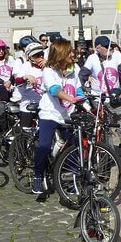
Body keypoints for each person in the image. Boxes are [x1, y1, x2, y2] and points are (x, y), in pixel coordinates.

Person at [32, 39, 84, 197]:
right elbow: (55, 90)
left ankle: (70, 180)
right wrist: (70, 98)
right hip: (50, 113)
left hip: (67, 114)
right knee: (44, 145)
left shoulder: (73, 69)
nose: (72, 54)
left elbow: (79, 90)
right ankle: (38, 175)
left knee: (74, 147)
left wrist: (86, 104)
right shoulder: (49, 71)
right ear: (61, 54)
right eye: (69, 51)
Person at [82, 36, 121, 172]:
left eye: (111, 46)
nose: (110, 49)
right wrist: (86, 90)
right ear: (98, 48)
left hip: (116, 98)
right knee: (105, 133)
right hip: (99, 100)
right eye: (106, 47)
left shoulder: (117, 55)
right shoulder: (92, 59)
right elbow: (82, 75)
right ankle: (110, 158)